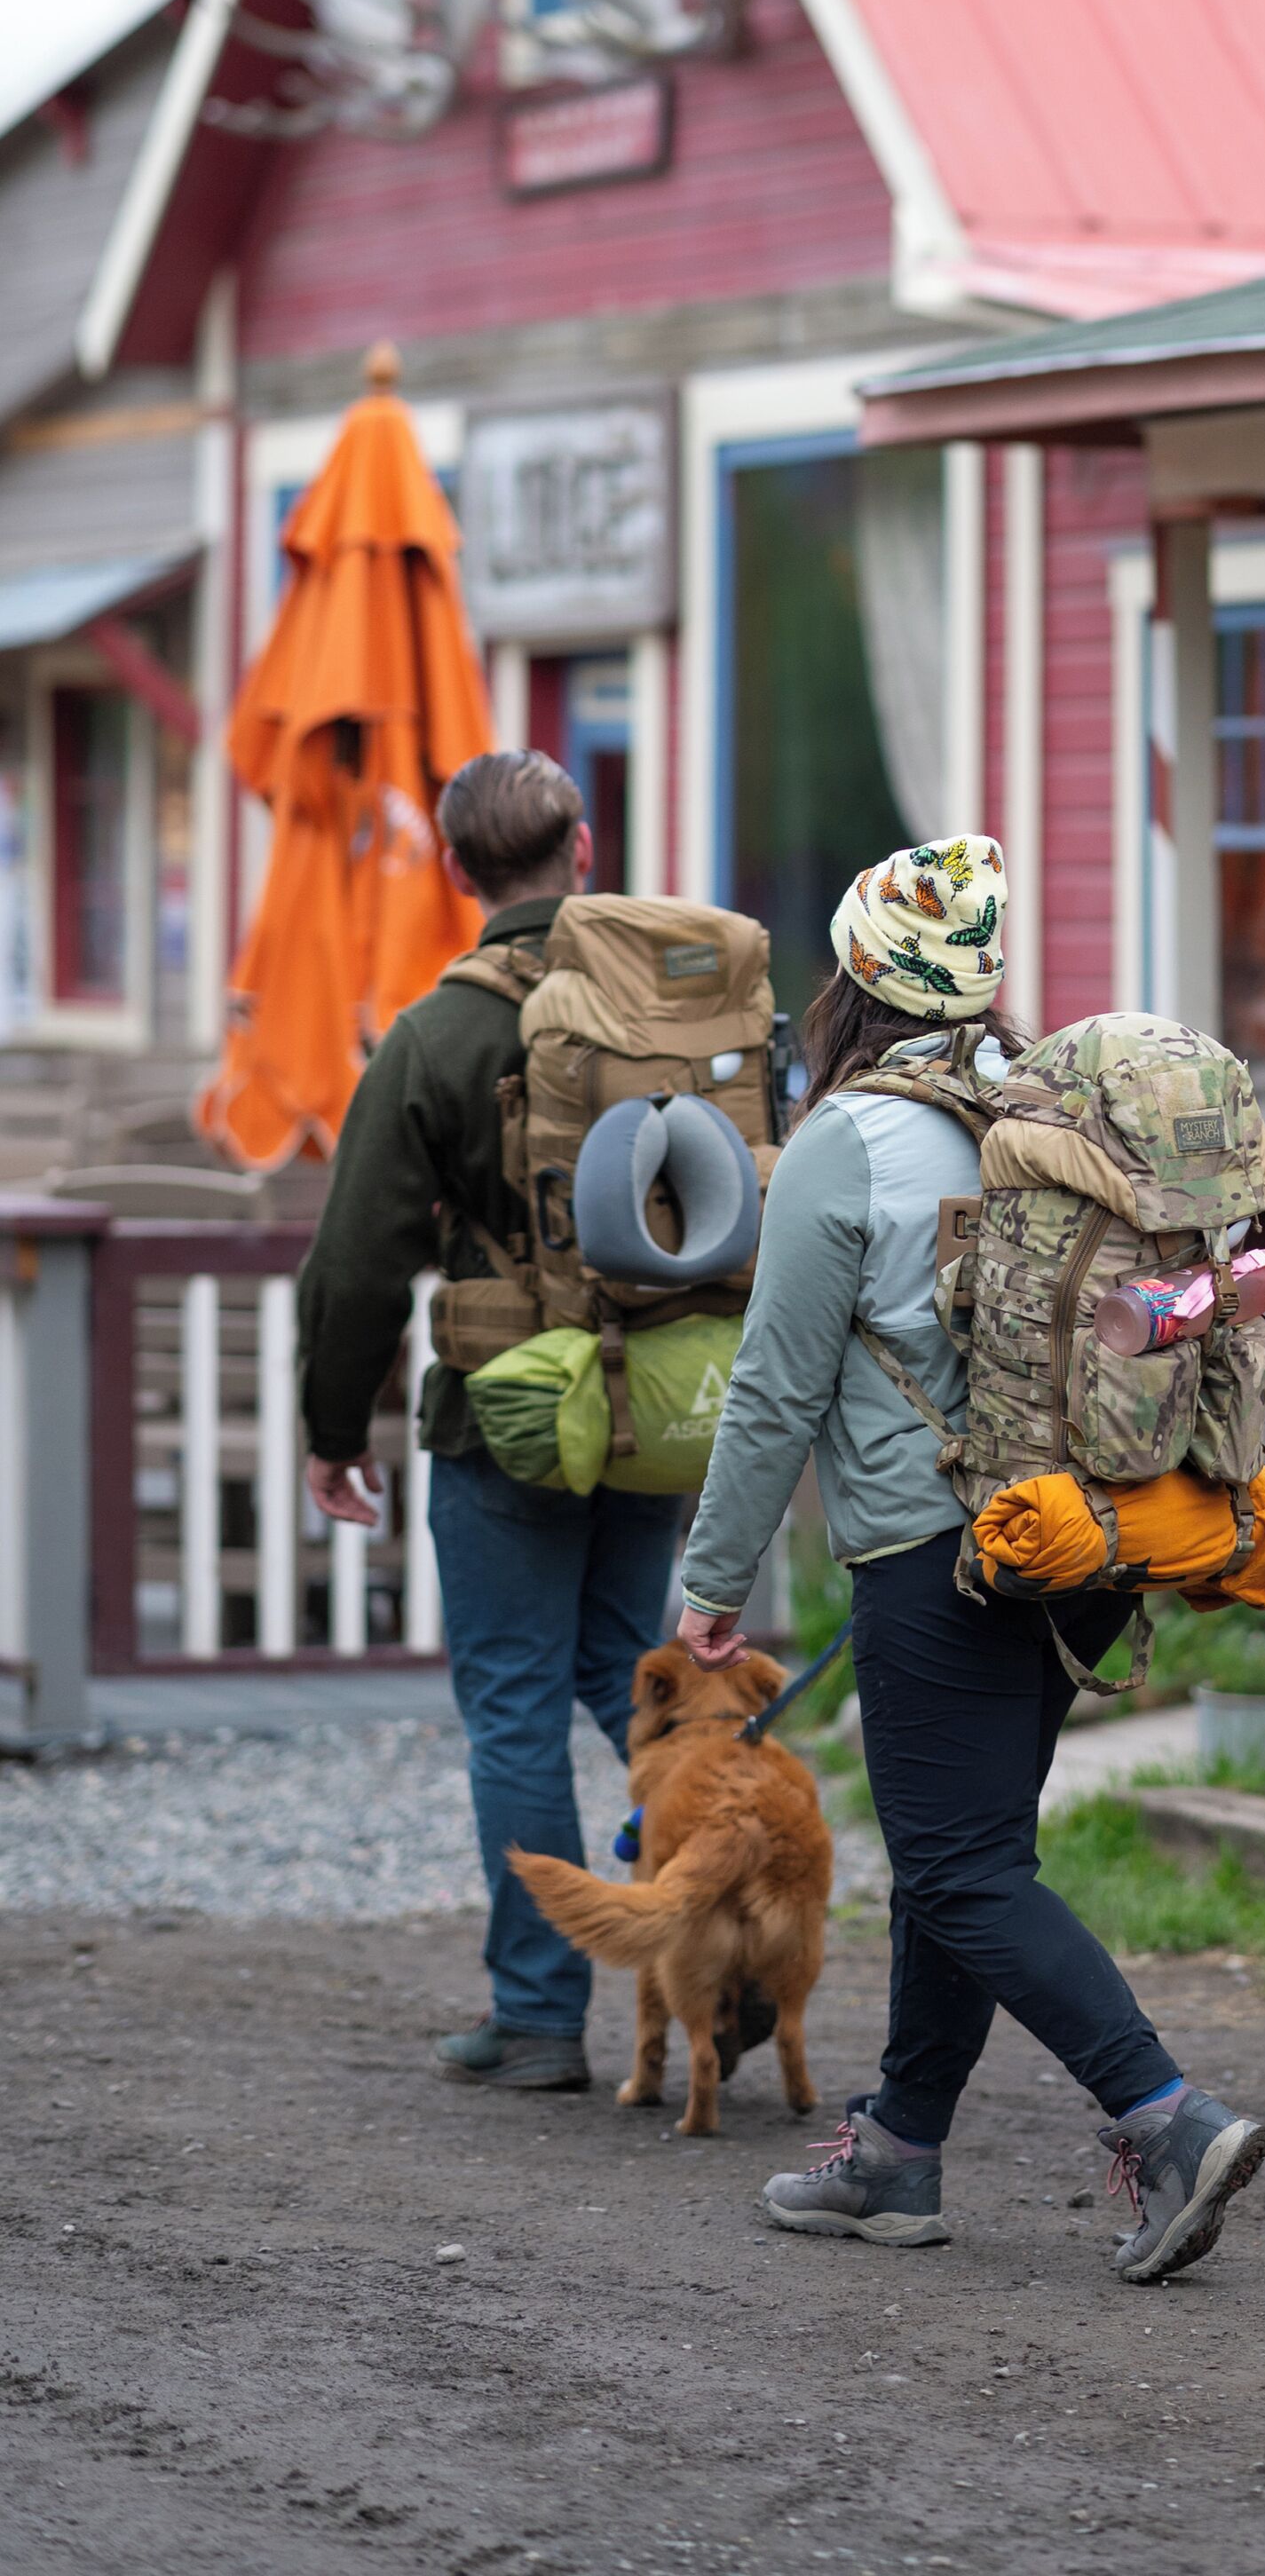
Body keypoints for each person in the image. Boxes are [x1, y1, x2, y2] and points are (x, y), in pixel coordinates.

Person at [676, 835, 1265, 2286]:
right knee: (970, 1858)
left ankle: (1165, 2116)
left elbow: (774, 1386)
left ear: (853, 978)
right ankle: (897, 2154)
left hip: (929, 1548)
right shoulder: (1035, 1107)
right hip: (1080, 1532)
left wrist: (711, 1581)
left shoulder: (845, 1139)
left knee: (952, 1869)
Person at [300, 749, 682, 2092]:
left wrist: (331, 1428)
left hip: (509, 1414)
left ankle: (535, 2016)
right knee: (644, 1682)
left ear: (459, 872)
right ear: (582, 848)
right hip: (663, 1399)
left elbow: (354, 1263)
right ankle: (726, 1948)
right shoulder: (670, 1003)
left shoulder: (438, 1033)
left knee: (515, 1701)